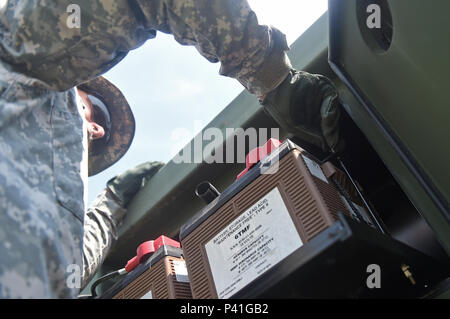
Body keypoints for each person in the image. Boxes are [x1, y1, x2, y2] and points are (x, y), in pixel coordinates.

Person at [0, 0, 343, 298]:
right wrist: (274, 79)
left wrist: (111, 203)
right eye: (93, 108)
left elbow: (61, 271)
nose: (100, 129)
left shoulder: (52, 209)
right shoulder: (19, 60)